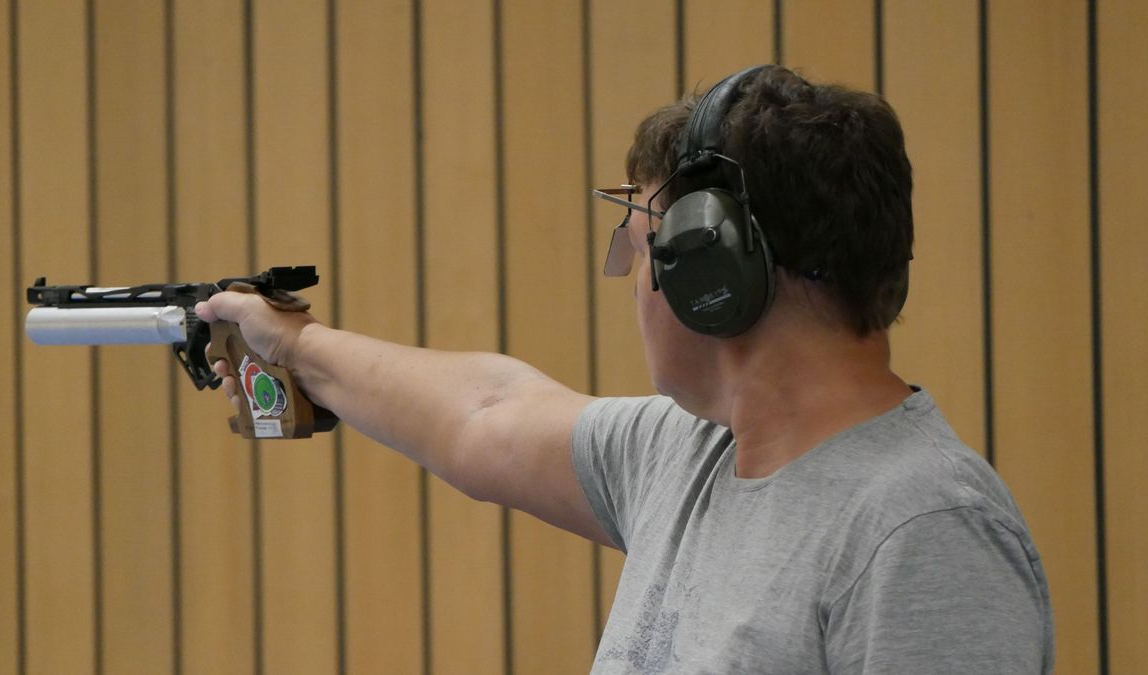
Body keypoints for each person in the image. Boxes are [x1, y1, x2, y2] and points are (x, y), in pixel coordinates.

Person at [196, 65, 1054, 673]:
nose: (636, 282)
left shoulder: (923, 531)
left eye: (644, 246)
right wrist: (296, 346)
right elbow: (483, 415)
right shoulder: (689, 453)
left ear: (711, 269)